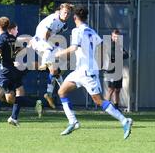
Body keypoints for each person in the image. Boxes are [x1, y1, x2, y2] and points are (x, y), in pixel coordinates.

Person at [55, 7, 133, 140]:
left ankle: (124, 120)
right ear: (86, 18)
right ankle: (73, 121)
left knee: (99, 101)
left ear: (75, 18)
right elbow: (102, 46)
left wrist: (59, 53)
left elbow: (73, 48)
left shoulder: (76, 30)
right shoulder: (91, 31)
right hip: (80, 70)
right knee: (61, 91)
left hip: (87, 72)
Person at [30, 3, 74, 109]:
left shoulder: (64, 24)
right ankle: (44, 63)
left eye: (68, 13)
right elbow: (46, 36)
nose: (66, 14)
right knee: (49, 51)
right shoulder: (53, 19)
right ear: (60, 11)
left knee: (64, 60)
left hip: (48, 44)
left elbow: (54, 35)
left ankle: (48, 93)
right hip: (40, 42)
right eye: (64, 12)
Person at [104, 29, 129, 110]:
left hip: (118, 70)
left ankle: (116, 108)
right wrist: (118, 54)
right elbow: (112, 55)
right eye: (115, 37)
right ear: (112, 36)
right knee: (111, 89)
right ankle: (106, 108)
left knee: (117, 90)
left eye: (117, 37)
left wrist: (119, 54)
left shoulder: (120, 45)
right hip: (111, 70)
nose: (116, 38)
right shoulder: (109, 44)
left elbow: (126, 55)